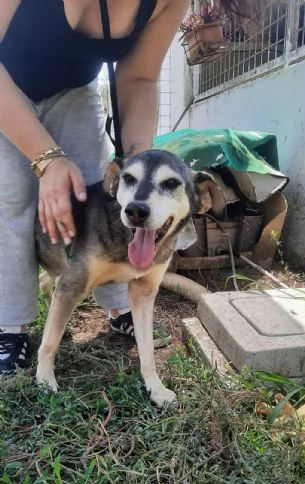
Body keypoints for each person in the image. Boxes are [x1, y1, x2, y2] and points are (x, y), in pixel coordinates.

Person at [0, 0, 190, 374]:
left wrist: (135, 166)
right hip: (6, 83)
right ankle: (10, 325)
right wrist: (47, 158)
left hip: (75, 90)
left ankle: (121, 305)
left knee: (100, 197)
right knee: (12, 198)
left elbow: (139, 79)